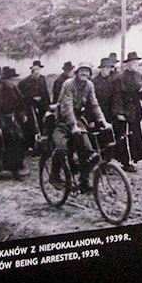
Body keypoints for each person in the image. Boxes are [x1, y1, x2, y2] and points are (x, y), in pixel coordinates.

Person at [52, 61, 108, 190]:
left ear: (90, 74)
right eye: (81, 70)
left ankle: (84, 181)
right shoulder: (68, 84)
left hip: (78, 120)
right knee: (61, 149)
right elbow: (67, 107)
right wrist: (73, 126)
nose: (84, 73)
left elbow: (94, 104)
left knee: (88, 152)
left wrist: (103, 121)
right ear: (76, 72)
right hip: (62, 120)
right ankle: (54, 176)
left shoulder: (89, 85)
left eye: (87, 71)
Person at [111, 51, 142, 171]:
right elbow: (117, 97)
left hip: (135, 109)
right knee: (123, 136)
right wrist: (119, 113)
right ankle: (124, 161)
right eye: (132, 62)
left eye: (136, 62)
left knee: (136, 134)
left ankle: (138, 156)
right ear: (127, 64)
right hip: (124, 109)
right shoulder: (121, 78)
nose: (134, 64)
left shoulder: (139, 76)